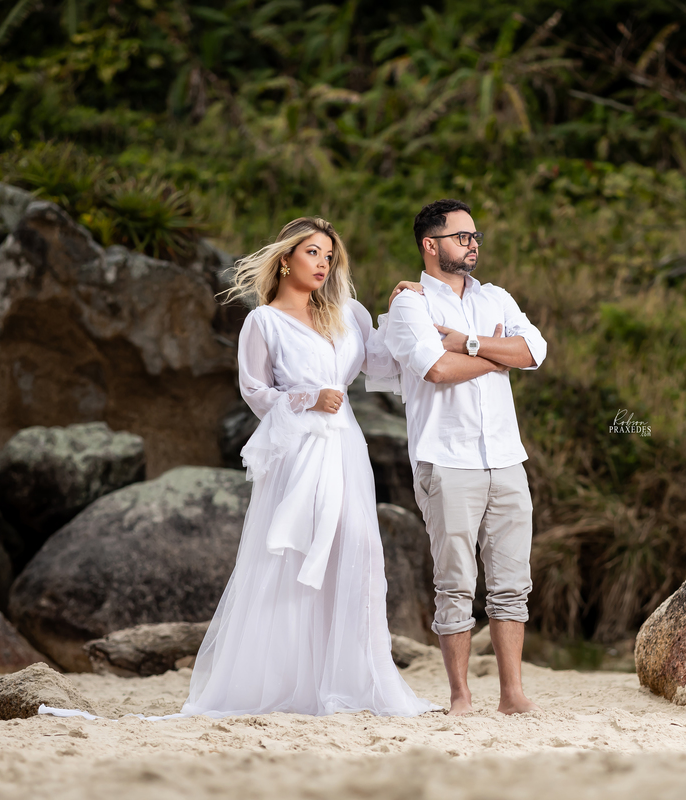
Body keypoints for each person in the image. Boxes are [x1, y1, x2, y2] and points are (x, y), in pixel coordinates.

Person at [177, 216, 434, 717]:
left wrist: (402, 307)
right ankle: (290, 683)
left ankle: (352, 681)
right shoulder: (263, 321)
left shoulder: (347, 313)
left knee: (356, 548)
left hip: (345, 446)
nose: (323, 263)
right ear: (286, 258)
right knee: (295, 556)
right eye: (313, 252)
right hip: (298, 449)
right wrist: (308, 397)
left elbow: (383, 364)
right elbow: (254, 392)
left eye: (329, 255)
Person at [382, 198, 546, 716]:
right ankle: (460, 697)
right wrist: (497, 356)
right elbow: (436, 370)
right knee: (454, 582)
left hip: (505, 457)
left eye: (475, 236)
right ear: (431, 245)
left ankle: (512, 695)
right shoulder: (410, 306)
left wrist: (468, 342)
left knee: (511, 581)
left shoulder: (495, 297)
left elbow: (535, 353)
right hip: (445, 458)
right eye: (460, 236)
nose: (472, 244)